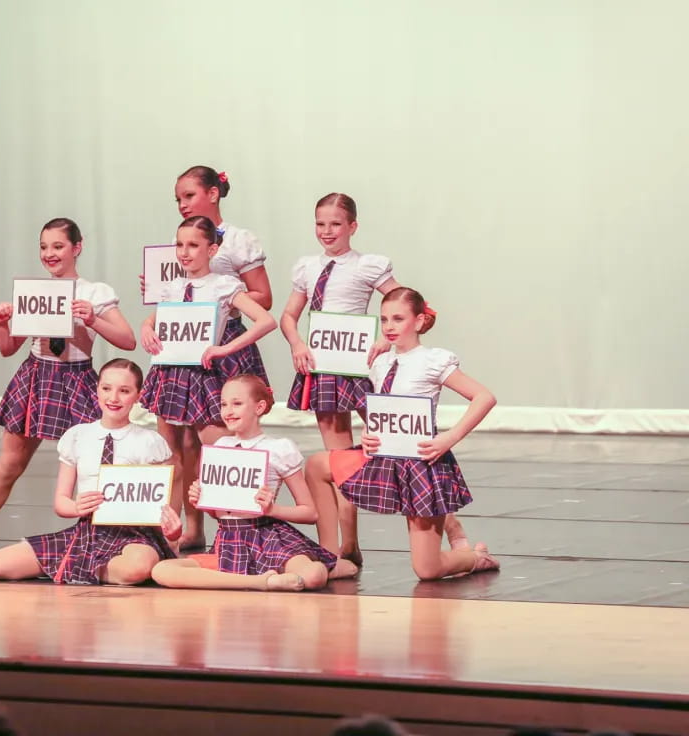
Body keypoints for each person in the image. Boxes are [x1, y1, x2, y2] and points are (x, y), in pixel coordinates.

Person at [0, 218, 136, 551]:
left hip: (77, 378)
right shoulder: (35, 293)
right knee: (10, 464)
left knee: (97, 463)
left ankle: (110, 538)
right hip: (37, 376)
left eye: (58, 246)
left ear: (77, 248)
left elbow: (128, 341)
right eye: (44, 247)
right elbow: (7, 348)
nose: (49, 254)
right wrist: (0, 323)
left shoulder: (95, 292)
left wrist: (94, 319)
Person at [305, 287, 500, 580]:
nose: (389, 327)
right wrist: (370, 433)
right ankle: (331, 556)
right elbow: (381, 409)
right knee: (317, 465)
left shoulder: (433, 360)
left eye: (398, 319)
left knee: (427, 570)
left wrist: (448, 438)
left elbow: (484, 397)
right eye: (384, 320)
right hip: (383, 457)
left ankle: (474, 558)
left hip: (418, 462)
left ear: (420, 321)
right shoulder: (380, 363)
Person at [140, 216, 276, 551]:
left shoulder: (224, 286)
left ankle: (242, 531)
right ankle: (185, 529)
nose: (184, 252)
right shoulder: (172, 287)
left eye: (193, 245)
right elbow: (158, 317)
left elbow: (266, 320)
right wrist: (146, 326)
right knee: (175, 453)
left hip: (209, 373)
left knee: (218, 450)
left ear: (212, 249)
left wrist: (224, 348)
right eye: (180, 244)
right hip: (175, 373)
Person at [280, 193, 401, 564]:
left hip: (356, 366)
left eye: (335, 224)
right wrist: (297, 344)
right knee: (339, 459)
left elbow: (405, 304)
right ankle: (348, 544)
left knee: (400, 441)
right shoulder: (307, 267)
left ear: (352, 226)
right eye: (320, 224)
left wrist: (384, 338)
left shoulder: (366, 266)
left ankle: (451, 528)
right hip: (324, 368)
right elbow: (289, 316)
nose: (327, 231)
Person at [0, 359, 181, 585]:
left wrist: (172, 534)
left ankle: (80, 568)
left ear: (138, 395)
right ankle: (90, 567)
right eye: (106, 388)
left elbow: (161, 506)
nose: (113, 398)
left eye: (124, 391)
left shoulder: (149, 441)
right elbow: (61, 501)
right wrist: (76, 507)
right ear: (97, 389)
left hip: (135, 536)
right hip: (89, 532)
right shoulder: (77, 436)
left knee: (136, 568)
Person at [151, 374, 343, 592]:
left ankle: (332, 566)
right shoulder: (221, 445)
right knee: (162, 570)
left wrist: (272, 509)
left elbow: (309, 513)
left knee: (313, 575)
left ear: (259, 407)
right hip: (229, 539)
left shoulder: (279, 448)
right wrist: (204, 502)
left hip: (267, 537)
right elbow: (220, 513)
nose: (228, 411)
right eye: (223, 404)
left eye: (237, 404)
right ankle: (263, 582)